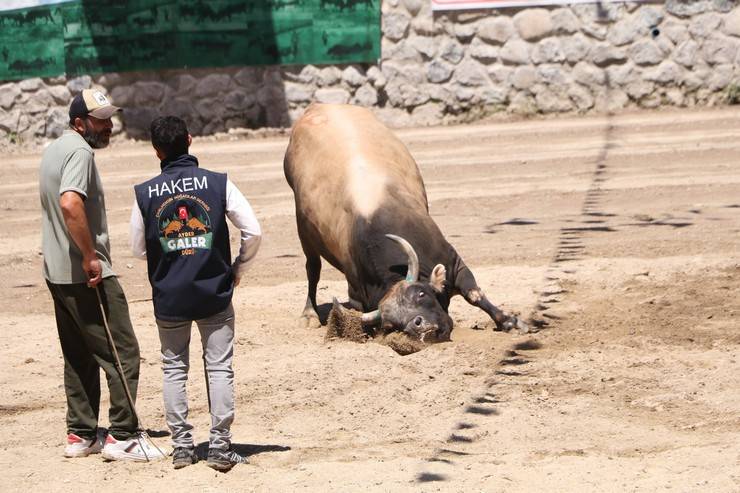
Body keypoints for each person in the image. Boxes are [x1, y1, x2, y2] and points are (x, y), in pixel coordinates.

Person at [130, 116, 261, 471]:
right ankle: (220, 447)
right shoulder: (218, 183)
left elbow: (138, 249)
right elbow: (253, 231)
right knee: (219, 367)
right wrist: (237, 269)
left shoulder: (145, 192)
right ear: (190, 139)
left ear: (156, 150)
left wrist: (170, 255)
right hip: (213, 292)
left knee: (173, 368)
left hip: (169, 295)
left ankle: (182, 447)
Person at [39, 89, 160, 461]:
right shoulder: (79, 151)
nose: (109, 126)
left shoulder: (54, 149)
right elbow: (69, 201)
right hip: (86, 273)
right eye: (100, 120)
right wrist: (91, 257)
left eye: (109, 118)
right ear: (80, 123)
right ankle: (122, 435)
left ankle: (81, 434)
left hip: (57, 273)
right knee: (123, 352)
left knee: (78, 355)